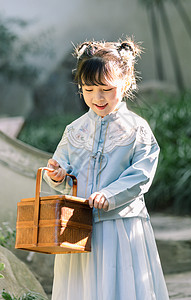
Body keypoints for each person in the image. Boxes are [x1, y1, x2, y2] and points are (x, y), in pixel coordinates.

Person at [44, 38, 169, 300]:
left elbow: (141, 174)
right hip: (78, 227)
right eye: (88, 90)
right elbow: (63, 167)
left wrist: (109, 195)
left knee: (120, 286)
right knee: (82, 288)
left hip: (120, 227)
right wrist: (57, 175)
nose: (97, 98)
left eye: (105, 89)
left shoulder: (137, 129)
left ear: (125, 83)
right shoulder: (74, 130)